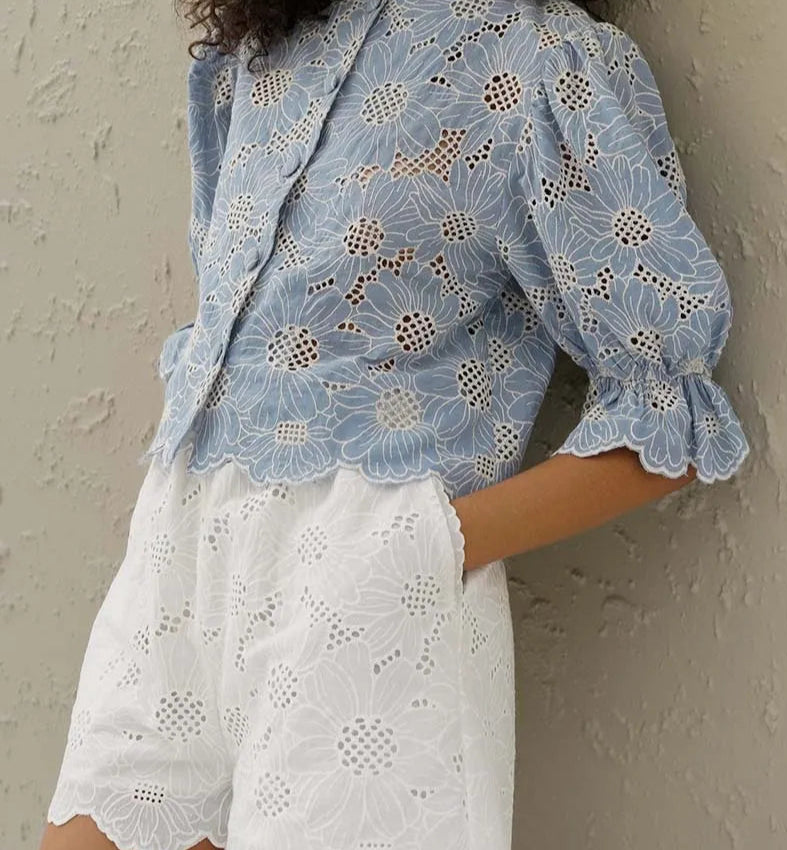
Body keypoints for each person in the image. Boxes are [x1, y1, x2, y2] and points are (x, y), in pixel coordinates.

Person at [39, 0, 750, 847]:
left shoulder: (533, 59)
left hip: (368, 600)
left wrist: (420, 547)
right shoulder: (257, 59)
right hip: (174, 568)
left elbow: (668, 407)